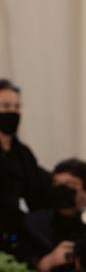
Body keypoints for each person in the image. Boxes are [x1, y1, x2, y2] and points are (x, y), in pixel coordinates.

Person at [0, 78, 51, 254]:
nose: (13, 112)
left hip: (23, 236)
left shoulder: (24, 153)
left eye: (17, 107)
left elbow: (39, 182)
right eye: (6, 107)